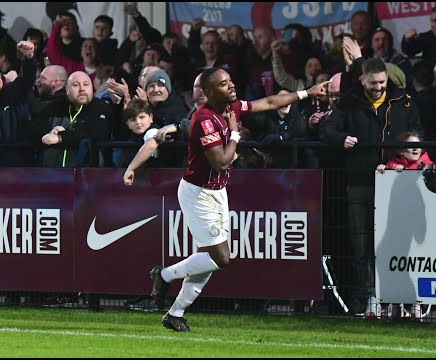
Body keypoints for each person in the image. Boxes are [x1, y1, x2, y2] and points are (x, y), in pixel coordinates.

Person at [123, 67, 329, 332]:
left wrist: (305, 92)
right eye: (223, 83)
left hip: (217, 192)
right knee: (221, 257)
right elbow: (221, 162)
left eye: (230, 80)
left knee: (206, 258)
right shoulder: (203, 120)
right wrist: (234, 133)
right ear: (209, 92)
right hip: (198, 194)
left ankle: (175, 313)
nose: (231, 86)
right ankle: (163, 275)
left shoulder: (231, 106)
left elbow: (267, 102)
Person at [323, 58, 423, 319]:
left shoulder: (404, 101)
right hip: (360, 184)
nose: (379, 87)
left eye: (382, 82)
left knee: (397, 245)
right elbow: (328, 130)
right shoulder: (348, 102)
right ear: (362, 80)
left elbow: (419, 134)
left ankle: (399, 298)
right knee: (361, 246)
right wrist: (341, 138)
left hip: (397, 184)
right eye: (373, 83)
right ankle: (369, 299)